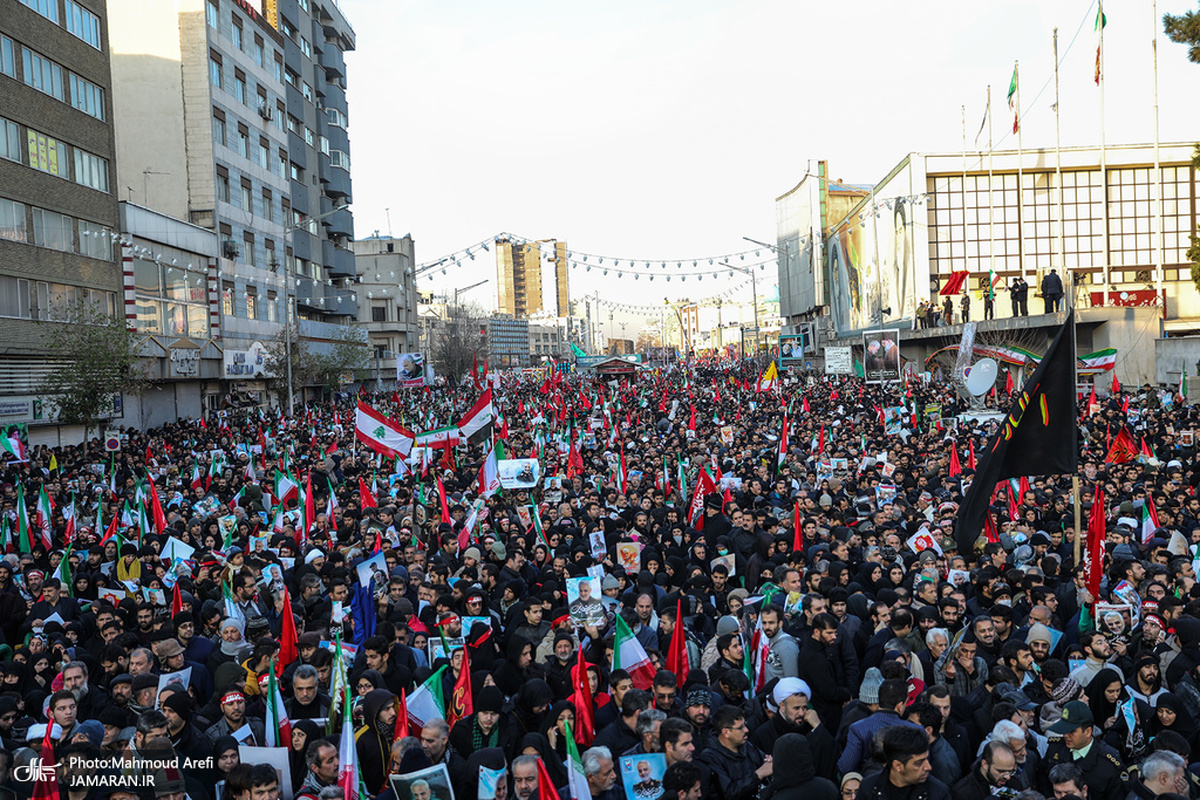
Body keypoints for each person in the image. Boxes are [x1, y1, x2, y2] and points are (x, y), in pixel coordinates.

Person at [857, 725, 951, 800]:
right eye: (919, 763)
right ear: (898, 766)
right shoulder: (868, 788)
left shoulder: (938, 793)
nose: (928, 767)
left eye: (927, 759)